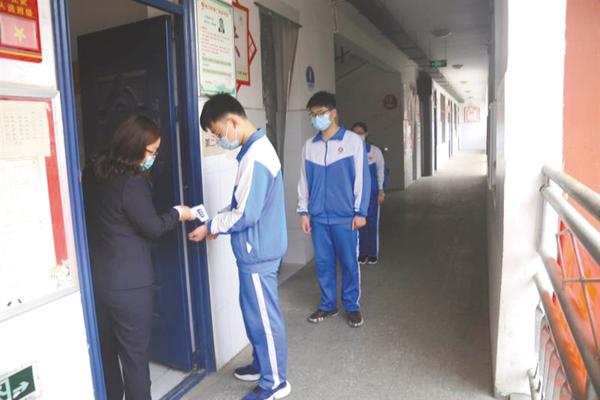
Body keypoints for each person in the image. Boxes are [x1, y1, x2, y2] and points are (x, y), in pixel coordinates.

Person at [83, 115, 196, 400]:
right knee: (134, 361)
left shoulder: (92, 173)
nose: (154, 158)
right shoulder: (131, 182)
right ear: (134, 146)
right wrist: (177, 213)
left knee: (106, 356)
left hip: (98, 281)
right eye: (151, 151)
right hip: (130, 285)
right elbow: (152, 227)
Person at [188, 94, 290, 400]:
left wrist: (212, 226)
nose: (220, 140)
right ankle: (262, 364)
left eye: (218, 133)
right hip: (254, 250)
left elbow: (246, 214)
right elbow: (241, 205)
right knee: (254, 315)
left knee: (265, 319)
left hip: (258, 251)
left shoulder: (256, 156)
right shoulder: (252, 151)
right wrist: (217, 221)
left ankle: (276, 382)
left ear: (232, 121)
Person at [297, 91, 371, 328]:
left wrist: (360, 212)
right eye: (312, 115)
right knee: (323, 264)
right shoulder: (309, 146)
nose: (316, 119)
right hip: (319, 218)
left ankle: (352, 306)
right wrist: (303, 211)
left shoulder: (353, 142)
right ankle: (328, 305)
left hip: (346, 217)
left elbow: (362, 178)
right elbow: (304, 180)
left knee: (349, 263)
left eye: (320, 113)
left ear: (333, 113)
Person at [352, 122, 386, 264]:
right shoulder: (350, 151)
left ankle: (372, 254)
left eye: (360, 133)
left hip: (372, 195)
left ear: (366, 134)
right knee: (359, 225)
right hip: (356, 197)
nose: (358, 135)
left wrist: (381, 191)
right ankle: (362, 253)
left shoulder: (374, 151)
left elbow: (381, 171)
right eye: (355, 133)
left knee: (372, 224)